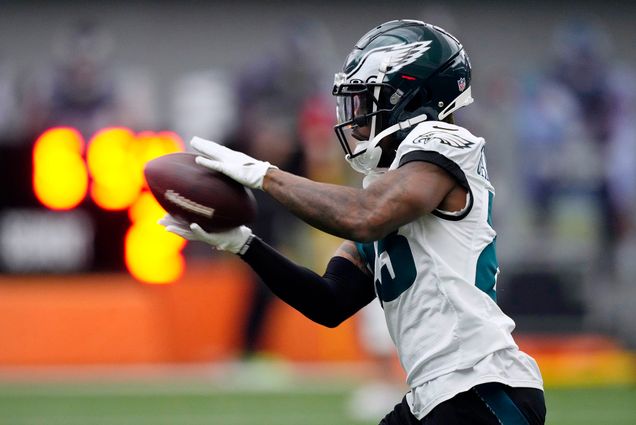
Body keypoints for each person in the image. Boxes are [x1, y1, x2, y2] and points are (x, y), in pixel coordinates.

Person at [161, 20, 546, 424]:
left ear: (414, 97)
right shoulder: (386, 185)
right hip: (433, 397)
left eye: (368, 100)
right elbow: (329, 302)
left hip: (482, 390)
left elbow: (365, 216)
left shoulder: (447, 144)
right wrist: (244, 245)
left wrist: (264, 176)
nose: (357, 116)